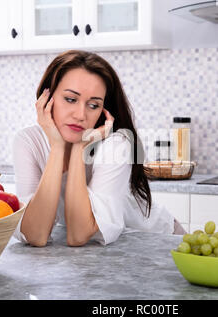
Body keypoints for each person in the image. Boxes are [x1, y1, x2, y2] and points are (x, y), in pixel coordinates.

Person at [12, 50, 186, 247]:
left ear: (104, 111)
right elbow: (35, 234)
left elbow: (78, 235)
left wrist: (79, 148)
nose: (80, 115)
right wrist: (58, 148)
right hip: (109, 255)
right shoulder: (28, 141)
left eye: (93, 105)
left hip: (159, 241)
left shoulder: (116, 144)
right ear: (47, 98)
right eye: (70, 99)